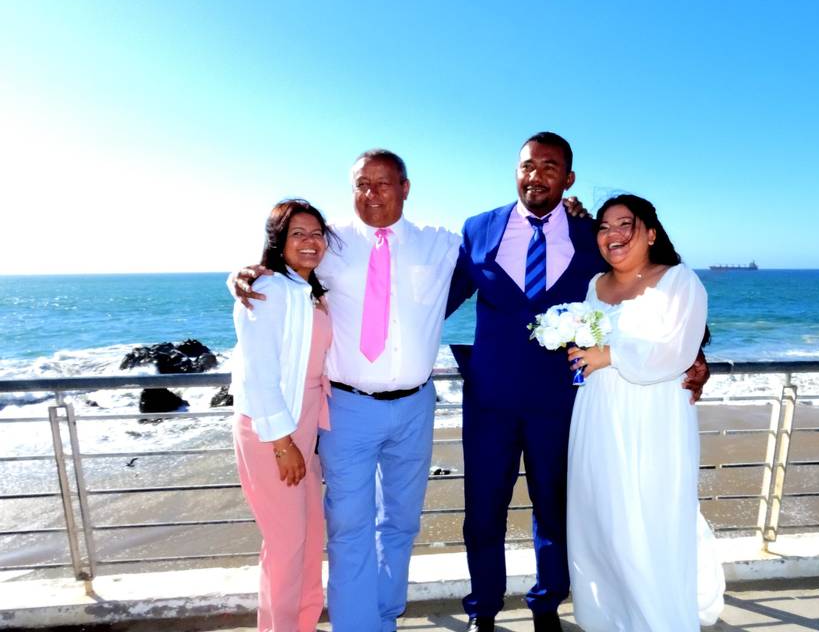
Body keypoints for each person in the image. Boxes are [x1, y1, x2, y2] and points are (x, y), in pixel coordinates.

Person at [444, 134, 711, 632]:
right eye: (528, 165)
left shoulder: (591, 236)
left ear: (567, 178)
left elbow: (647, 294)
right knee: (482, 515)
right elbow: (437, 300)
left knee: (557, 514)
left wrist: (697, 354)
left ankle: (547, 605)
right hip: (490, 401)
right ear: (516, 171)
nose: (536, 175)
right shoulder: (478, 228)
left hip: (564, 401)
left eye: (551, 167)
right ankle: (483, 610)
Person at [233, 150, 461, 632]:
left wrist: (574, 217)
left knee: (400, 524)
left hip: (416, 406)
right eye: (362, 184)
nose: (372, 193)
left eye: (383, 183)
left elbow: (505, 241)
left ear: (405, 186)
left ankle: (384, 616)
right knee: (349, 529)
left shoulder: (439, 243)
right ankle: (358, 626)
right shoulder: (330, 242)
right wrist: (242, 274)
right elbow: (284, 267)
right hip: (348, 408)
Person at [564, 194, 725, 631]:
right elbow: (586, 343)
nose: (612, 235)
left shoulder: (679, 281)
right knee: (601, 522)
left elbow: (676, 350)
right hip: (598, 415)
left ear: (651, 233)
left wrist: (609, 354)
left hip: (654, 420)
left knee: (649, 523)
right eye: (603, 227)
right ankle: (608, 620)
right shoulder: (594, 286)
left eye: (624, 224)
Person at [232, 198, 337, 632]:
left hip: (306, 430)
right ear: (278, 242)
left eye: (316, 233)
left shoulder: (307, 290)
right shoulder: (268, 290)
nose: (310, 242)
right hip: (272, 433)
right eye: (298, 234)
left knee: (309, 541)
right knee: (287, 545)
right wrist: (281, 444)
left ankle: (303, 625)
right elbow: (258, 373)